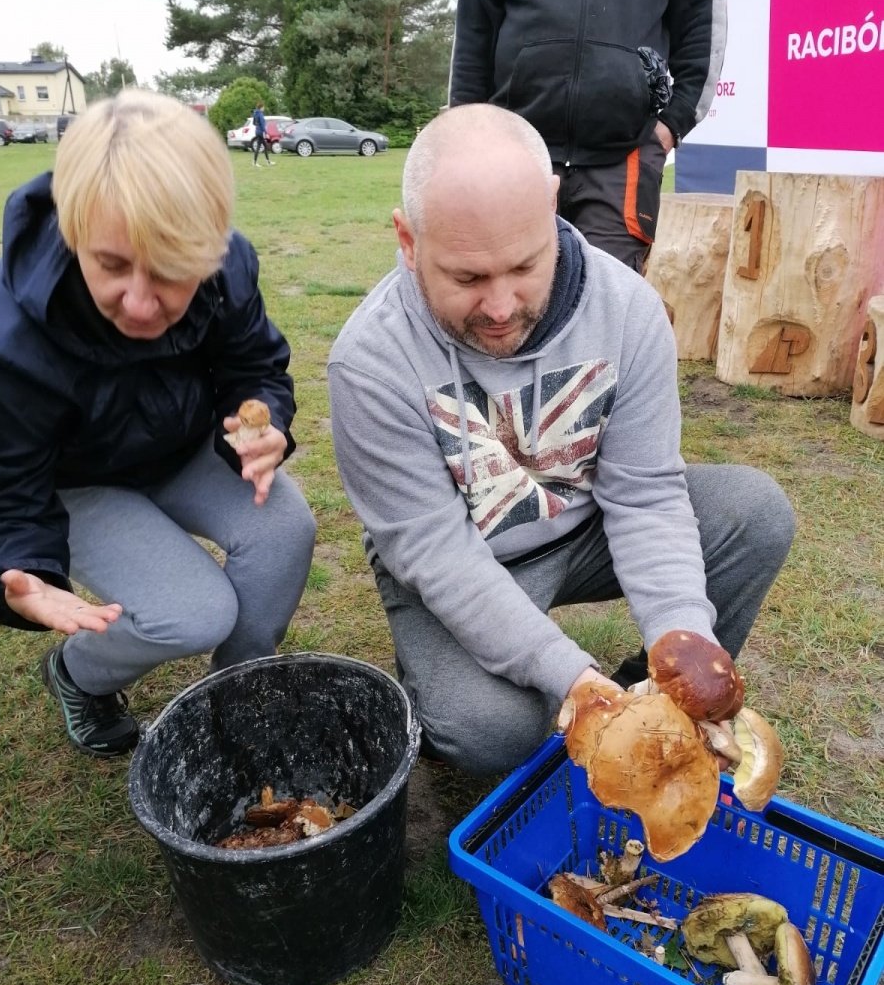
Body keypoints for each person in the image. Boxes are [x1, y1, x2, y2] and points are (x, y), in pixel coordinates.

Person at [327, 105, 794, 777]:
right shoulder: (368, 362)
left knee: (755, 513)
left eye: (523, 265)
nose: (499, 305)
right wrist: (567, 675)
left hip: (583, 530)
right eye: (466, 278)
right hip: (456, 557)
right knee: (493, 733)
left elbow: (645, 498)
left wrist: (680, 647)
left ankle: (648, 689)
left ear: (552, 205)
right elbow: (434, 553)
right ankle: (439, 671)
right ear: (407, 239)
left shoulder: (627, 311)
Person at [0, 89, 316, 757]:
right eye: (111, 265)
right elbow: (5, 491)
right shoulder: (5, 337)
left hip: (182, 446)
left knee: (285, 529)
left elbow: (256, 367)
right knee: (195, 612)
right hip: (76, 484)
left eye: (171, 271)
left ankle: (234, 699)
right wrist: (18, 569)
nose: (140, 303)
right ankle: (78, 673)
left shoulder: (228, 268)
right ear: (76, 231)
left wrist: (265, 420)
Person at [448, 0, 726, 273]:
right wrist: (466, 143)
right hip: (516, 157)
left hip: (624, 158)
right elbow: (472, 37)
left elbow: (702, 22)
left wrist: (670, 126)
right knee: (509, 309)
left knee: (609, 312)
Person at [251, 101, 274, 167]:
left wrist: (258, 126)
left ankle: (268, 161)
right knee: (259, 147)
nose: (264, 109)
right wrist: (265, 133)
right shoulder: (260, 114)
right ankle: (255, 162)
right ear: (261, 107)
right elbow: (262, 124)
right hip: (260, 132)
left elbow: (254, 123)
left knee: (265, 146)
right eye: (263, 107)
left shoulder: (255, 113)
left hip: (257, 131)